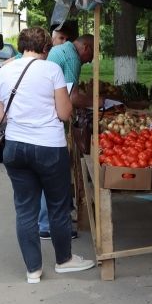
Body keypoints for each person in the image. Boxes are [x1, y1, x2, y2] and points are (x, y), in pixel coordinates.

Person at [0, 27, 95, 284]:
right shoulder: (51, 70)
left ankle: (33, 270)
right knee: (58, 205)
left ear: (22, 45)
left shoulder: (2, 73)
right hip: (49, 146)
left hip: (15, 147)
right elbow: (63, 113)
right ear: (46, 47)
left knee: (25, 209)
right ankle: (64, 260)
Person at [37, 33, 95, 240]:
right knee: (53, 174)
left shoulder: (61, 49)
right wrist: (98, 101)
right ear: (86, 47)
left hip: (38, 123)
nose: (91, 60)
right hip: (51, 123)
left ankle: (49, 218)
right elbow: (73, 97)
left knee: (46, 175)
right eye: (92, 54)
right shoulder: (72, 57)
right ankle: (46, 224)